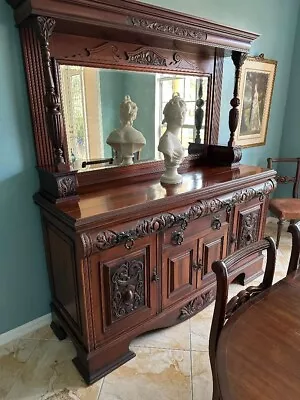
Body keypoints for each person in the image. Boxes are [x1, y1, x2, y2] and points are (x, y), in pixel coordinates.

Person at [158, 93, 187, 184]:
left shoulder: (175, 139)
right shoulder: (167, 140)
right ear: (171, 116)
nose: (182, 117)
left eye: (183, 113)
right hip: (169, 178)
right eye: (178, 113)